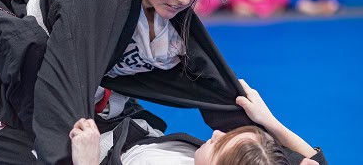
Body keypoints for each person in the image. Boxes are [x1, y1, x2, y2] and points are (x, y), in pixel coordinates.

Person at [0, 0, 310, 163]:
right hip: (15, 70)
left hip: (94, 99)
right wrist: (70, 160)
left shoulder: (174, 19)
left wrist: (272, 138)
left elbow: (214, 89)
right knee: (27, 46)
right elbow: (65, 79)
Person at [70, 80, 327, 165]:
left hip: (91, 144)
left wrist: (86, 160)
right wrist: (269, 121)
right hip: (127, 125)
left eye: (217, 145)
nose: (214, 133)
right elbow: (313, 161)